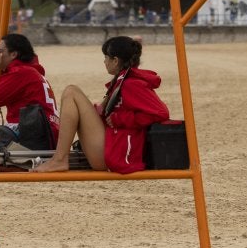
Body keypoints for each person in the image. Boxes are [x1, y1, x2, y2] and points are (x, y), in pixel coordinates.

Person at [33, 36, 172, 175]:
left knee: (71, 92)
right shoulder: (123, 80)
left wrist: (120, 119)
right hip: (113, 144)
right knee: (72, 93)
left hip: (115, 153)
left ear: (115, 60)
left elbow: (161, 113)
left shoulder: (131, 84)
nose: (104, 61)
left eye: (106, 57)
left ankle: (60, 159)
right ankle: (60, 157)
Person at [0, 33, 59, 150]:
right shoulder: (32, 71)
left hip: (34, 137)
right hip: (43, 132)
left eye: (0, 51)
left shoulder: (21, 73)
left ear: (13, 54)